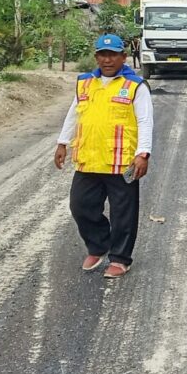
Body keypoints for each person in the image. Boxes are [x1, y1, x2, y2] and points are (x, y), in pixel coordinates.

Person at [54, 34, 153, 279]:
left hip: (122, 161)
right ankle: (98, 245)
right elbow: (73, 114)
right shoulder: (85, 83)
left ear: (123, 57)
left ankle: (120, 258)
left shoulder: (135, 86)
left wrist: (143, 153)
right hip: (88, 158)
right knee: (80, 206)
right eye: (102, 55)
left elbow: (145, 121)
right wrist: (62, 143)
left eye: (113, 55)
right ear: (96, 56)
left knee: (123, 213)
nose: (107, 60)